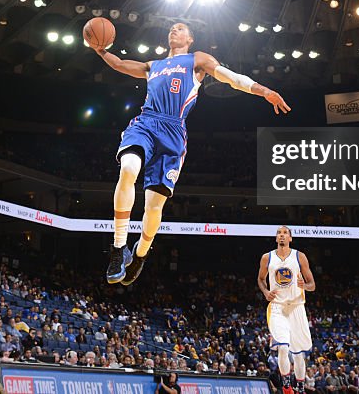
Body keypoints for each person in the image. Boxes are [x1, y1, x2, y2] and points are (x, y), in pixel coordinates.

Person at [94, 21, 291, 284]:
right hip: (146, 122)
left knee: (153, 208)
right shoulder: (154, 65)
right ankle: (118, 248)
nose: (173, 30)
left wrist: (264, 91)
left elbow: (232, 78)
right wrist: (100, 50)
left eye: (180, 28)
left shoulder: (197, 59)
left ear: (190, 38)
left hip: (173, 133)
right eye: (171, 28)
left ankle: (140, 255)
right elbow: (119, 64)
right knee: (129, 168)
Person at [257, 225, 315, 394]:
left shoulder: (300, 256)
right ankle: (286, 385)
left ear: (290, 238)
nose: (281, 236)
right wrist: (266, 291)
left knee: (298, 354)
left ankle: (301, 387)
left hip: (296, 307)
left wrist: (306, 285)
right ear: (276, 238)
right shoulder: (267, 258)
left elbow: (312, 284)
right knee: (282, 346)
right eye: (279, 233)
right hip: (277, 307)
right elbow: (261, 279)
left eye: (285, 233)